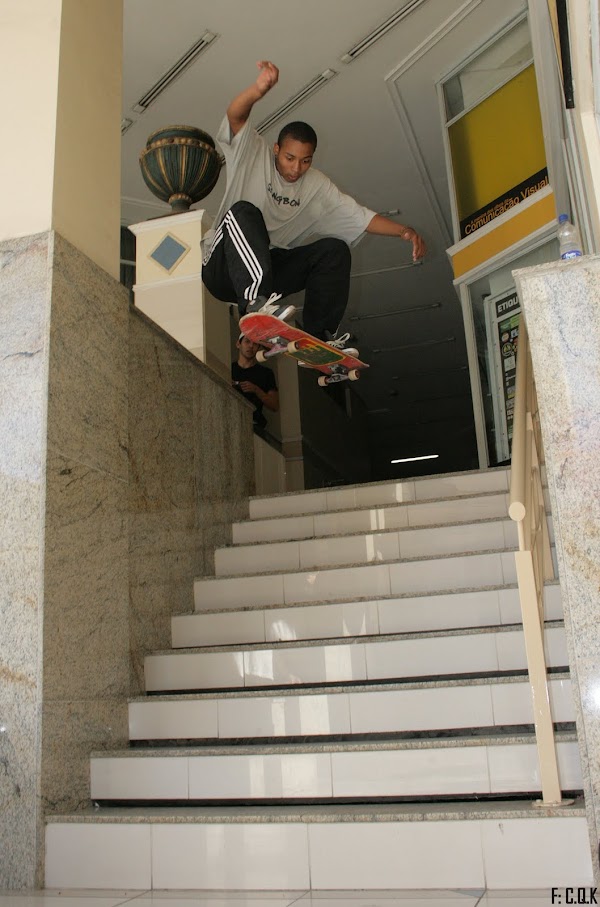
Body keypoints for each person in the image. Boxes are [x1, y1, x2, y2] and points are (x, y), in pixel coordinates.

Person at [202, 60, 426, 351]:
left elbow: (361, 217)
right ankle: (256, 304)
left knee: (334, 251)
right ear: (277, 150)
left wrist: (404, 232)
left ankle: (320, 335)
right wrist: (257, 90)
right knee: (244, 212)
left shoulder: (317, 186)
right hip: (221, 265)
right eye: (289, 158)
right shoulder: (252, 153)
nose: (296, 169)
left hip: (268, 267)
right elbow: (235, 116)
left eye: (305, 161)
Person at [232, 332, 279, 431]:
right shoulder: (229, 368)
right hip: (231, 418)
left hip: (254, 424)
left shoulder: (266, 373)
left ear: (258, 348)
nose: (251, 346)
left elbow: (274, 405)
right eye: (247, 341)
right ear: (238, 344)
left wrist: (256, 390)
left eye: (255, 344)